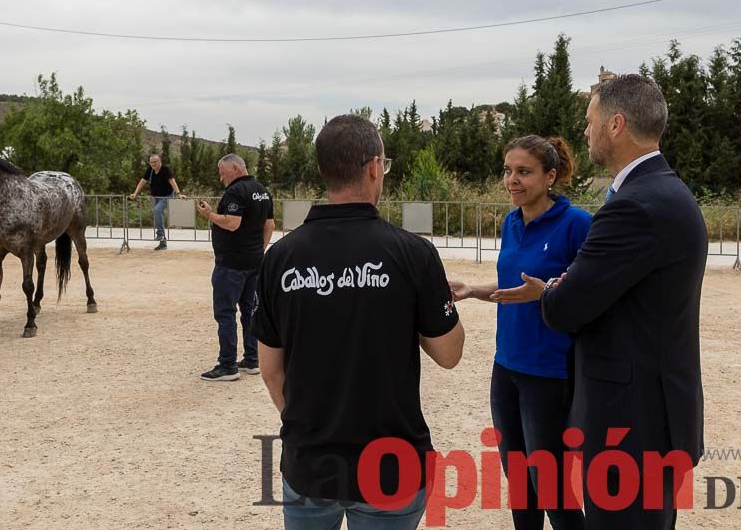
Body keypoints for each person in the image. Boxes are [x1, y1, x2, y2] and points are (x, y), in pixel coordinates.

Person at [494, 74, 706, 529]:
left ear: (616, 124)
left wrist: (550, 289)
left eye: (590, 121)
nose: (584, 131)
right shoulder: (664, 190)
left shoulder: (634, 206)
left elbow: (568, 306)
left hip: (631, 426)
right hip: (652, 415)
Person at [252, 114, 465, 528]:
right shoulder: (412, 254)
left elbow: (270, 371)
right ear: (373, 168)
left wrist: (305, 425)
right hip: (392, 468)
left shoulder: (280, 258)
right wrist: (429, 299)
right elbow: (449, 353)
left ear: (323, 171)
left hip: (310, 462)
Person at [449, 136, 588, 530]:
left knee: (552, 488)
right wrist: (474, 291)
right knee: (520, 483)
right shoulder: (511, 222)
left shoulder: (577, 225)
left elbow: (590, 296)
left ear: (551, 176)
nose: (512, 180)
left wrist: (548, 291)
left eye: (524, 172)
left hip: (550, 373)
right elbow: (516, 291)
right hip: (505, 368)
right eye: (508, 171)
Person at [196, 153, 274, 382]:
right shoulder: (262, 191)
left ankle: (227, 364)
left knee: (226, 312)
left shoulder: (235, 192)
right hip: (254, 262)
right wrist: (259, 249)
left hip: (231, 264)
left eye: (222, 173)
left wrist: (209, 214)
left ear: (235, 168)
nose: (221, 178)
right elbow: (269, 224)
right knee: (250, 311)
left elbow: (232, 223)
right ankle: (252, 359)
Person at [129, 153, 182, 250]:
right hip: (155, 197)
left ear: (160, 161)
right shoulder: (150, 170)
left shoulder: (166, 170)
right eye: (151, 162)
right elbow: (143, 181)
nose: (153, 164)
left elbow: (172, 181)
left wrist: (178, 194)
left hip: (167, 196)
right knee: (157, 215)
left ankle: (160, 234)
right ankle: (163, 243)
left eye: (155, 162)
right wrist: (135, 193)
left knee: (157, 210)